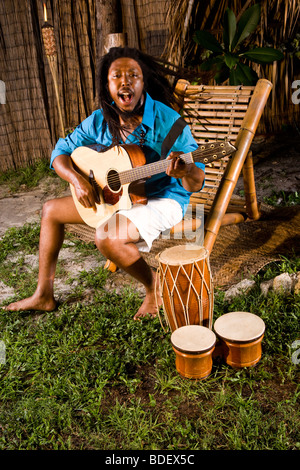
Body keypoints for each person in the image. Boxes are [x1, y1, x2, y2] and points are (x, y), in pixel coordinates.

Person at [5, 47, 205, 319]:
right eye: (117, 76)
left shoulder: (169, 122)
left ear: (143, 82)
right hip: (120, 197)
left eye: (133, 75)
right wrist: (76, 180)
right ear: (107, 85)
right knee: (51, 210)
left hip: (163, 198)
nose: (125, 81)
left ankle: (153, 285)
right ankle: (44, 294)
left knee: (107, 238)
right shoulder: (99, 120)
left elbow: (196, 182)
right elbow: (59, 152)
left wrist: (186, 171)